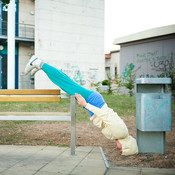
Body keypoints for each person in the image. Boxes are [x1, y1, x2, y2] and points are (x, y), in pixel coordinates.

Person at [25, 55, 138, 156]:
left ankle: (41, 67)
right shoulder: (120, 132)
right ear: (126, 146)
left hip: (94, 102)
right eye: (122, 150)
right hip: (93, 101)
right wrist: (85, 104)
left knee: (66, 83)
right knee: (65, 83)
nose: (119, 150)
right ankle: (38, 63)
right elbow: (103, 114)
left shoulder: (120, 135)